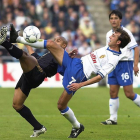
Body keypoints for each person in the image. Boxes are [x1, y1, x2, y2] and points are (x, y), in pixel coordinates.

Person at [0, 25, 131, 138]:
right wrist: (73, 55)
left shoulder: (114, 59)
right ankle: (16, 39)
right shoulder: (106, 48)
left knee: (61, 105)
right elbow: (91, 61)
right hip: (75, 62)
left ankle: (77, 126)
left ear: (118, 42)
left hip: (78, 74)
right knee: (50, 44)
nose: (111, 35)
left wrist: (80, 84)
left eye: (114, 35)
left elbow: (99, 76)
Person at [0, 25, 77, 137]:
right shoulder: (49, 54)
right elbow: (34, 55)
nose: (54, 42)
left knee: (24, 56)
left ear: (64, 45)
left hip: (38, 74)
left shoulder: (63, 57)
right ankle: (38, 127)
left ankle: (4, 42)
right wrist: (27, 42)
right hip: (29, 75)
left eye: (58, 41)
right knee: (17, 105)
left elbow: (68, 66)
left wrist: (69, 56)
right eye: (54, 40)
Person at [100, 10, 139, 125]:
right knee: (112, 92)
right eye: (111, 18)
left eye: (116, 18)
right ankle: (113, 119)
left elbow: (136, 48)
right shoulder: (109, 34)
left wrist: (135, 65)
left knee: (129, 93)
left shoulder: (125, 32)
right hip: (113, 64)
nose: (113, 20)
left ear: (120, 20)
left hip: (124, 63)